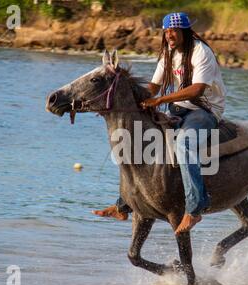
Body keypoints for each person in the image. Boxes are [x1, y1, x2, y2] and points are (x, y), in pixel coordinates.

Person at [93, 12, 227, 234]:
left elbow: (197, 89)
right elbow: (153, 87)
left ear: (184, 31)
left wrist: (160, 100)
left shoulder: (201, 52)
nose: (169, 35)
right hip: (179, 108)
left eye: (173, 31)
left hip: (205, 110)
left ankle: (194, 208)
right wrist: (121, 100)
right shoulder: (169, 53)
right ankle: (123, 204)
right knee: (136, 141)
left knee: (184, 143)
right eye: (166, 31)